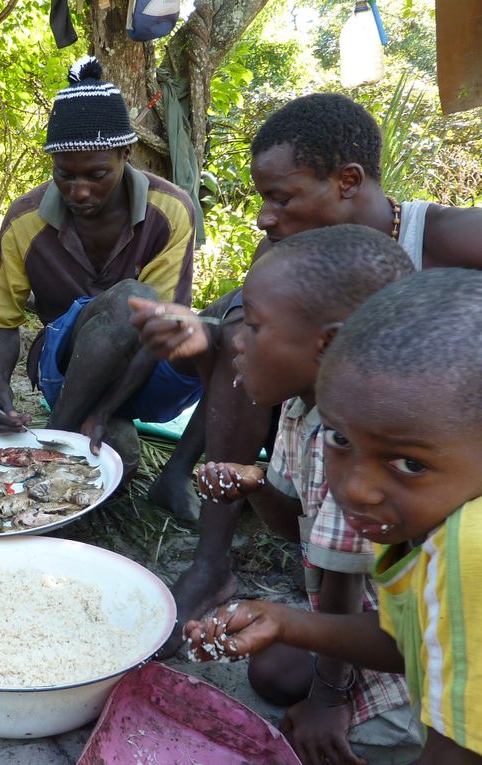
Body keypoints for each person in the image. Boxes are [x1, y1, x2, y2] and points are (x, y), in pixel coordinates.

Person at [130, 92, 482, 656]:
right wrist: (202, 340)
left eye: (280, 197)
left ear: (346, 180)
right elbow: (255, 357)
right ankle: (211, 561)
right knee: (238, 333)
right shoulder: (283, 251)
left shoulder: (453, 240)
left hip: (439, 463)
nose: (265, 216)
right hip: (329, 434)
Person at [185, 267, 482, 765]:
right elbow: (406, 637)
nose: (355, 489)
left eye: (410, 463)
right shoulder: (406, 507)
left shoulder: (467, 548)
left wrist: (327, 697)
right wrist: (282, 622)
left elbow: (456, 751)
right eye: (341, 440)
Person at [0, 56, 199, 480]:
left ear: (125, 154)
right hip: (63, 369)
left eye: (97, 175)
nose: (79, 191)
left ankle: (60, 433)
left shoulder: (171, 210)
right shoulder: (26, 219)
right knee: (120, 459)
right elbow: (3, 321)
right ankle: (72, 430)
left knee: (195, 319)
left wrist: (103, 410)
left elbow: (157, 332)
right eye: (64, 175)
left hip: (144, 374)